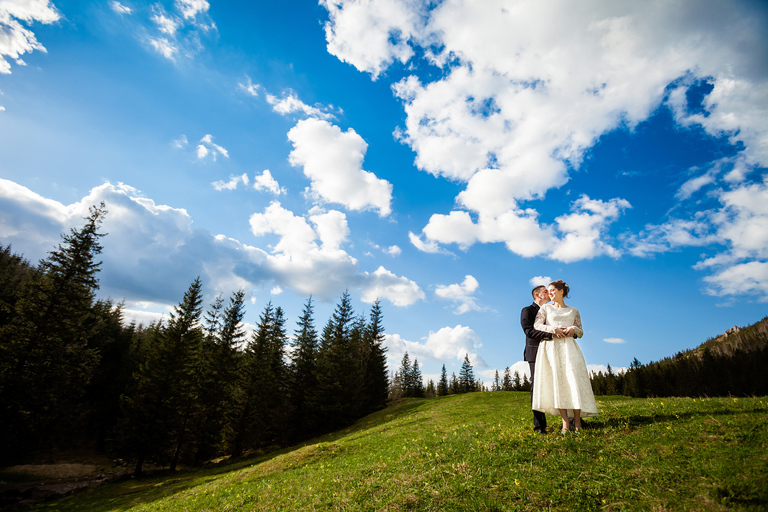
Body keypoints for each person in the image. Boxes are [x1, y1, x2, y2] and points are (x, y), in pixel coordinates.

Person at [532, 280, 597, 434]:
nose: (550, 294)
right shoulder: (546, 308)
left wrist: (573, 329)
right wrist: (553, 329)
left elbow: (581, 331)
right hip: (552, 348)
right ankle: (565, 423)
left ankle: (578, 422)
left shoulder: (574, 311)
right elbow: (537, 325)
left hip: (569, 348)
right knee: (558, 383)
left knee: (573, 381)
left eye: (553, 290)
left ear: (562, 291)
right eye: (548, 291)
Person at [520, 285, 553, 433]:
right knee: (537, 388)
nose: (549, 293)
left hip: (553, 352)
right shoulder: (527, 310)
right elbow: (529, 331)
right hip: (535, 353)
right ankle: (540, 427)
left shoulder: (552, 310)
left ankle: (572, 420)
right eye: (546, 291)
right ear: (537, 295)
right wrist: (550, 335)